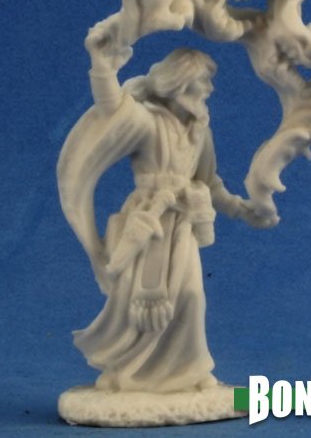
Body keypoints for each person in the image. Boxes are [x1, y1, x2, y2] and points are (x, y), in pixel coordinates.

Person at [58, 43, 269, 394]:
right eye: (203, 80)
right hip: (150, 220)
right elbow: (111, 108)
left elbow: (209, 181)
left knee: (191, 296)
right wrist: (102, 67)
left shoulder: (200, 129)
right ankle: (128, 371)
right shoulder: (148, 122)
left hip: (182, 223)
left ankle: (191, 371)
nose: (209, 89)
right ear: (181, 82)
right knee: (141, 300)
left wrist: (240, 209)